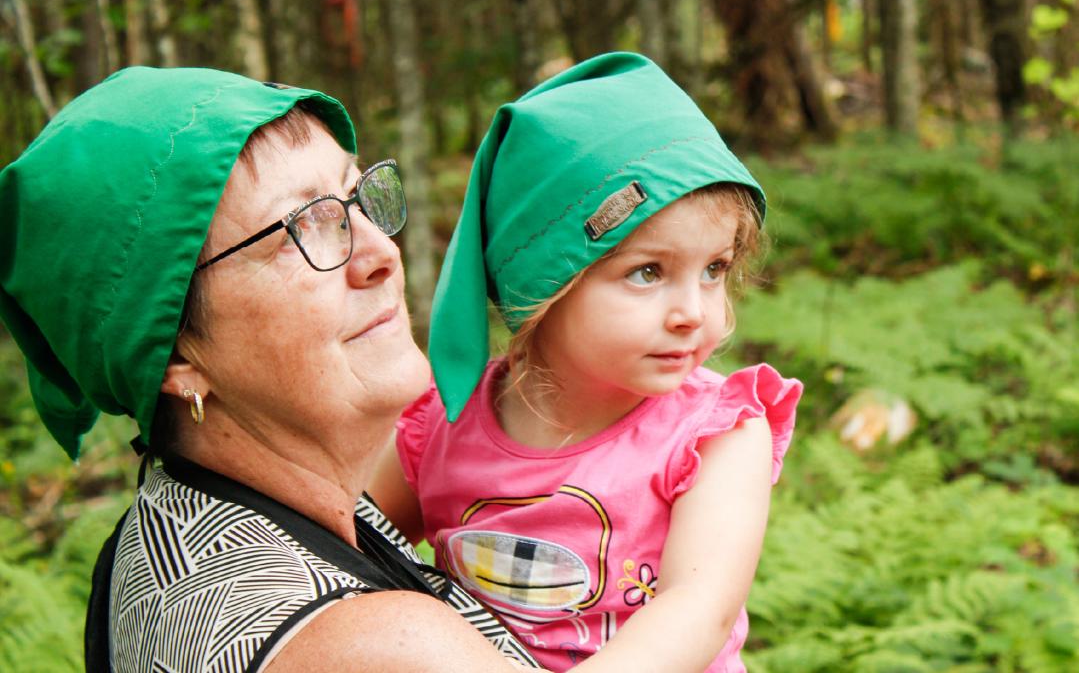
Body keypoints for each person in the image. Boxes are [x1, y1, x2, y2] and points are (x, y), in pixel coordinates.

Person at [0, 67, 541, 672]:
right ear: (175, 353)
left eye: (355, 197)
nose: (380, 253)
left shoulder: (167, 534)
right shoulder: (382, 649)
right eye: (299, 227)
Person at [369, 53, 804, 672]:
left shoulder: (716, 434)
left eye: (714, 269)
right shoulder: (441, 425)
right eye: (647, 272)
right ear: (542, 284)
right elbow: (350, 546)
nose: (693, 311)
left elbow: (697, 607)